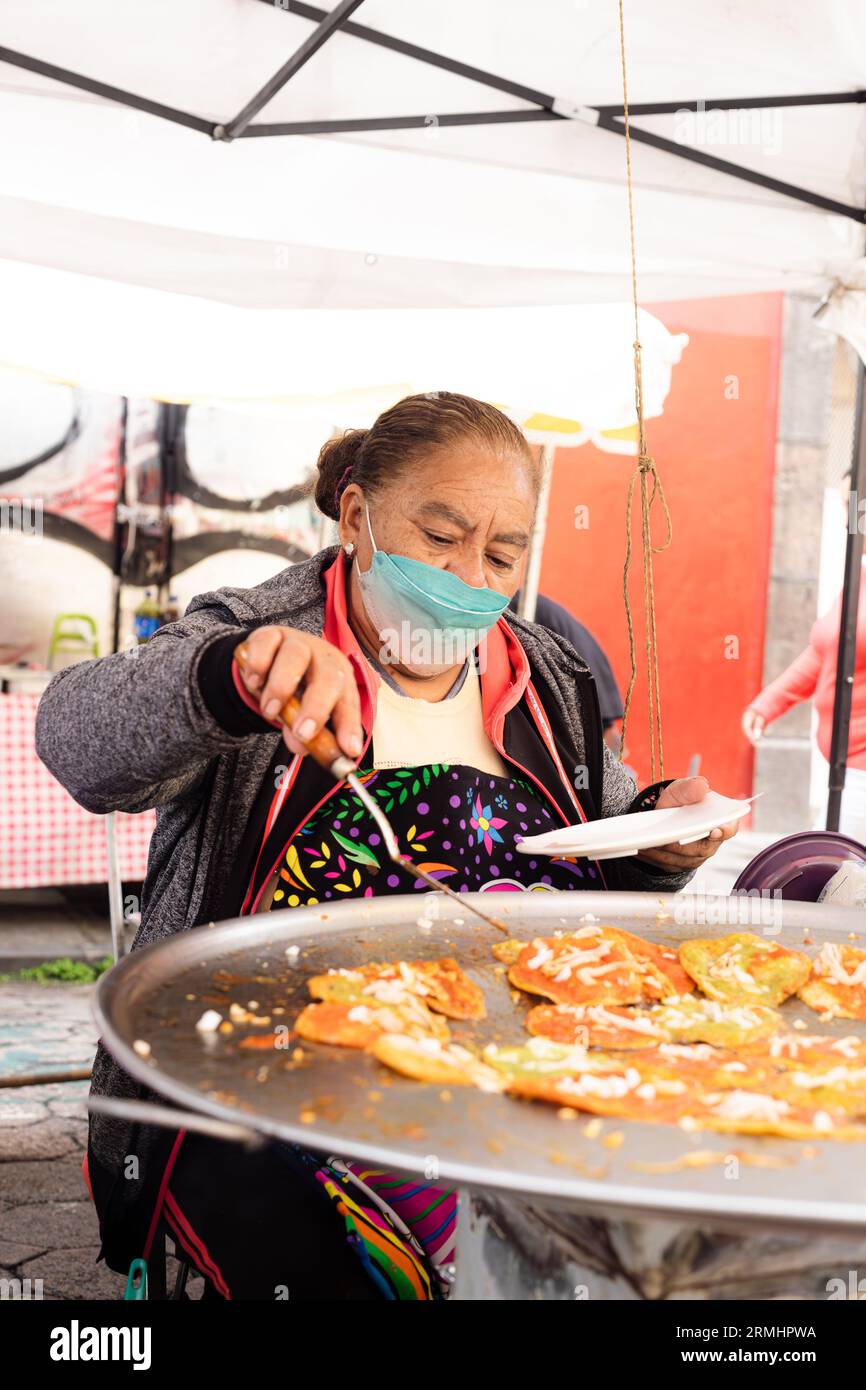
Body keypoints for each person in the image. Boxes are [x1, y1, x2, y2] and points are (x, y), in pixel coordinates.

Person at [37, 391, 739, 1300]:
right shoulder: (262, 633)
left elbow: (597, 840)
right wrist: (226, 679)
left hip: (518, 1058)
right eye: (441, 536)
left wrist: (661, 840)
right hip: (275, 1076)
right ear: (358, 514)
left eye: (502, 551)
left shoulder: (542, 673)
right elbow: (75, 739)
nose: (471, 578)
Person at [743, 557, 866, 845]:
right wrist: (770, 702)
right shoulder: (859, 570)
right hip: (845, 766)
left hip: (861, 769)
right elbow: (826, 648)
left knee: (831, 869)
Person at [508, 590, 624, 750]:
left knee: (598, 756)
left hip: (580, 684)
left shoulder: (517, 607)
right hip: (586, 680)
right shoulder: (524, 603)